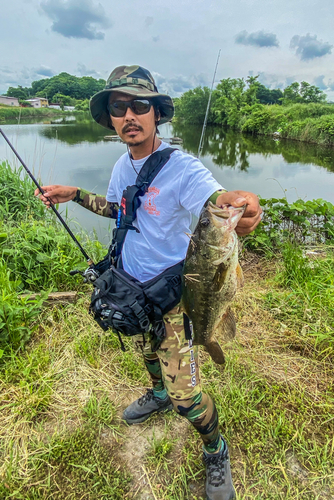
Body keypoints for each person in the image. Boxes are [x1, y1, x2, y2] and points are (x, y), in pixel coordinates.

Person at [36, 65, 262, 500]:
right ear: (111, 117)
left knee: (188, 400)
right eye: (119, 107)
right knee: (147, 353)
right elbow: (122, 211)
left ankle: (215, 449)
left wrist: (241, 206)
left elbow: (220, 201)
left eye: (140, 105)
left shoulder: (183, 168)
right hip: (133, 290)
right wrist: (76, 195)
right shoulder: (123, 164)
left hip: (174, 296)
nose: (129, 116)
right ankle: (156, 392)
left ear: (157, 113)